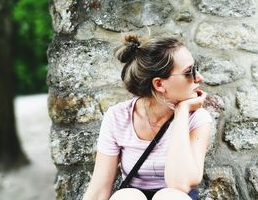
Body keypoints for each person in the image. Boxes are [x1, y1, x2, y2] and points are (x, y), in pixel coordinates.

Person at [83, 33, 212, 200]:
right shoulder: (118, 117)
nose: (199, 78)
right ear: (159, 84)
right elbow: (99, 190)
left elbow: (180, 185)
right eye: (189, 72)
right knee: (127, 196)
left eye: (196, 68)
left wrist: (181, 112)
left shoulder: (197, 119)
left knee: (170, 197)